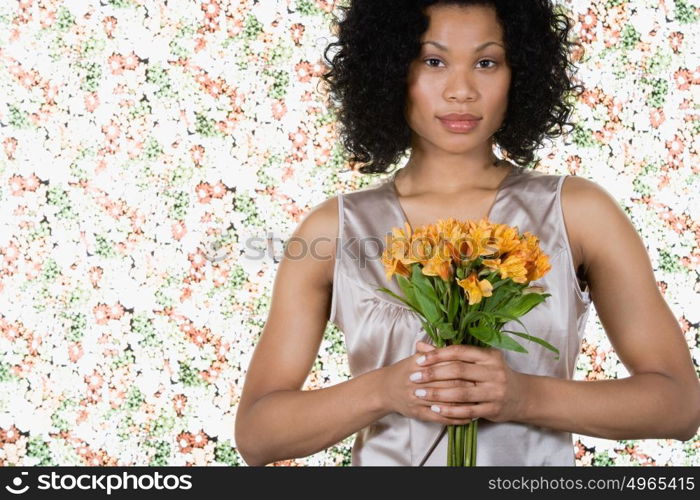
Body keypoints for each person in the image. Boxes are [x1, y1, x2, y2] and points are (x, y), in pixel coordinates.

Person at [234, 0, 700, 466]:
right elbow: (258, 435)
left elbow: (679, 406)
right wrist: (384, 390)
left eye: (486, 62)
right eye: (433, 61)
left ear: (518, 73)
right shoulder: (334, 228)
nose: (462, 91)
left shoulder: (578, 212)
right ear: (391, 68)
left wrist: (525, 397)